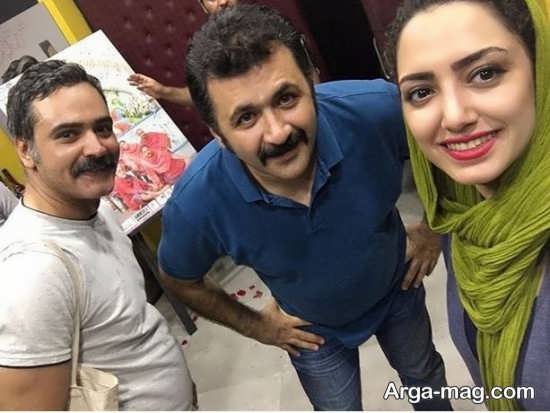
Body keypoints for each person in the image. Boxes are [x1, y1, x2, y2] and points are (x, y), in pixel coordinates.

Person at [158, 4, 451, 411]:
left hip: (396, 286)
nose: (278, 132)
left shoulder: (374, 110)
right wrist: (257, 326)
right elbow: (179, 278)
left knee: (425, 377)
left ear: (313, 82)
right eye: (245, 118)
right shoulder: (196, 203)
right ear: (218, 134)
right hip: (311, 331)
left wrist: (434, 230)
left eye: (286, 98)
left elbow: (445, 141)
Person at [0, 60, 194, 410]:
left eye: (102, 128)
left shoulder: (97, 209)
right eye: (68, 134)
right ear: (26, 151)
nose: (97, 147)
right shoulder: (33, 271)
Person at [386, 0, 549, 409]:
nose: (455, 116)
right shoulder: (464, 221)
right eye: (421, 92)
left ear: (540, 70)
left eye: (485, 73)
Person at [127, 0, 239, 106]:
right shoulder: (206, 47)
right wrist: (162, 91)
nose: (223, 2)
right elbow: (203, 96)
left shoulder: (250, 27)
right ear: (203, 7)